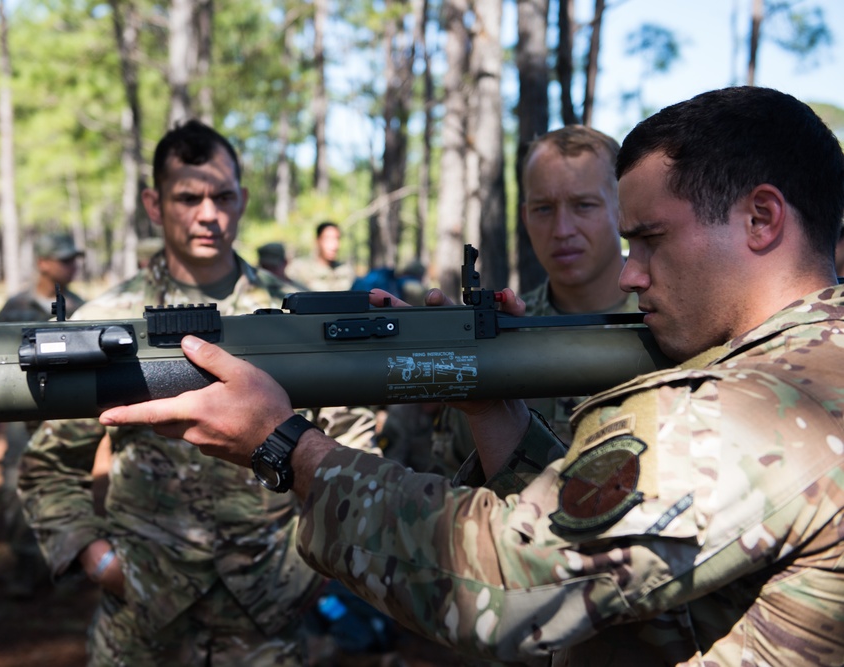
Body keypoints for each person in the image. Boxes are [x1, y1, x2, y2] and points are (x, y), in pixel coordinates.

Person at [98, 87, 844, 666]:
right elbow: (630, 562)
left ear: (760, 219)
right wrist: (498, 415)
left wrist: (286, 448)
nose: (627, 268)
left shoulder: (760, 405)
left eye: (647, 238)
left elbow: (518, 584)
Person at [18, 120, 375, 666]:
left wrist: (318, 567)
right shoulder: (105, 323)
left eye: (223, 196)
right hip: (143, 621)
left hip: (269, 620)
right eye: (188, 197)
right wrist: (98, 561)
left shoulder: (299, 319)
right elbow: (48, 465)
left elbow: (356, 454)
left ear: (243, 200)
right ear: (155, 205)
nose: (209, 213)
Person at [428, 125, 642, 478]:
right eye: (544, 209)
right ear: (526, 217)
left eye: (583, 205)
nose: (562, 230)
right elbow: (451, 475)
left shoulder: (669, 326)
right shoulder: (501, 336)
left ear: (622, 208)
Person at [0, 231, 86, 597]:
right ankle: (26, 567)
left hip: (67, 413)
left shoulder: (83, 307)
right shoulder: (14, 308)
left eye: (74, 259)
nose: (72, 266)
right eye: (64, 259)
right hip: (23, 412)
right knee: (17, 484)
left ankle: (66, 565)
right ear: (43, 263)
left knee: (69, 481)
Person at [287, 220, 355, 291]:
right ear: (318, 240)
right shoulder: (300, 269)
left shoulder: (345, 271)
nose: (335, 245)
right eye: (329, 239)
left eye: (337, 239)